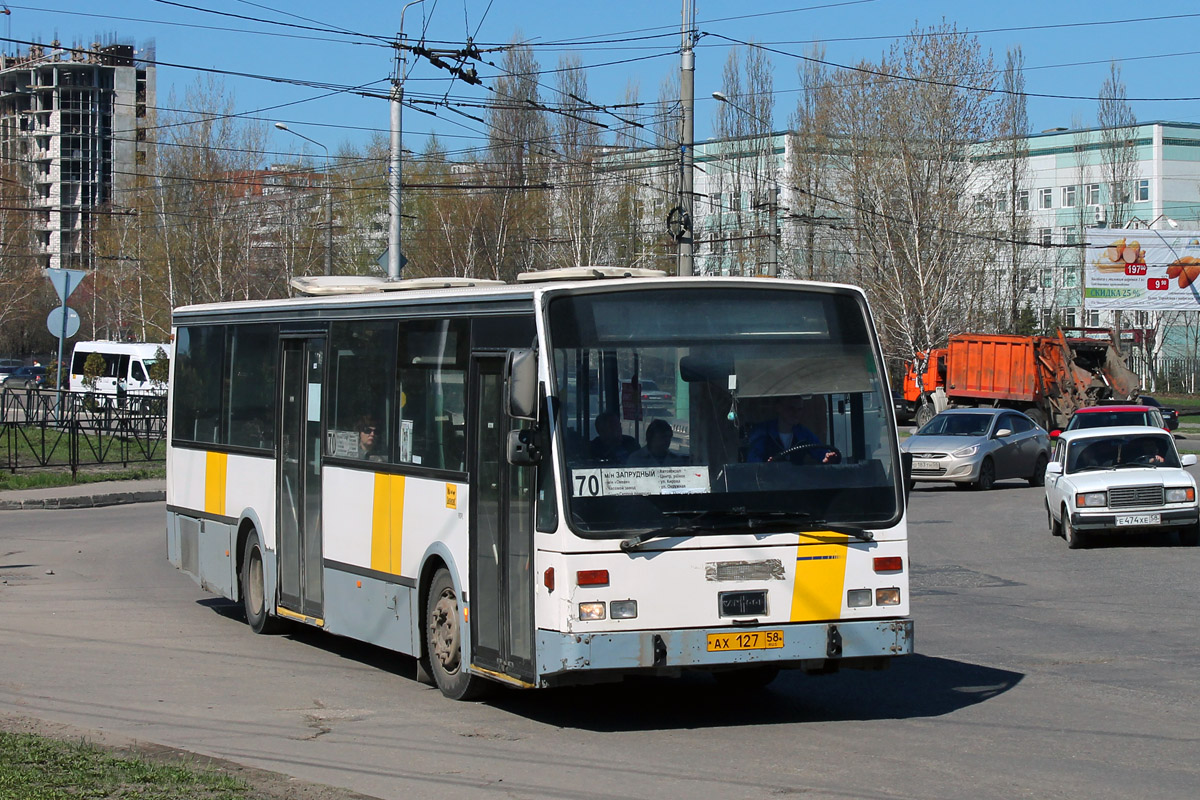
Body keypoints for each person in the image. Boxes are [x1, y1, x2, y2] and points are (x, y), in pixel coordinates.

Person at [747, 396, 838, 464]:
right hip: (768, 485)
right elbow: (753, 460)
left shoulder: (804, 434)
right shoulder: (763, 432)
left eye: (799, 409)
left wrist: (827, 458)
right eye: (791, 408)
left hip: (798, 484)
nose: (796, 413)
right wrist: (766, 467)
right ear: (779, 408)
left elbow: (820, 451)